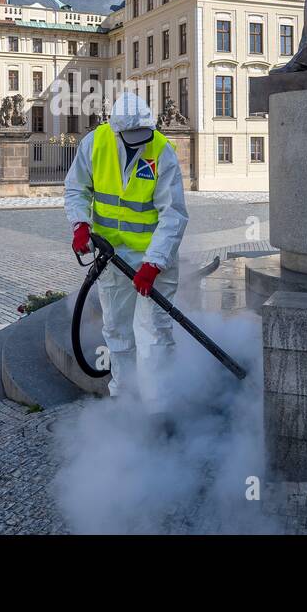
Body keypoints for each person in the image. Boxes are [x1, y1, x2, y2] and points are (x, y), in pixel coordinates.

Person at [64, 92, 189, 401]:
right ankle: (124, 398)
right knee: (118, 330)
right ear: (116, 129)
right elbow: (76, 187)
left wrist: (154, 263)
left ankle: (157, 408)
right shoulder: (95, 144)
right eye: (131, 136)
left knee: (154, 334)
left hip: (153, 261)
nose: (139, 141)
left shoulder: (161, 150)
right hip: (112, 257)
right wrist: (80, 224)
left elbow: (173, 214)